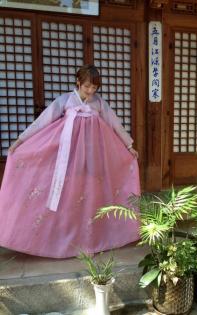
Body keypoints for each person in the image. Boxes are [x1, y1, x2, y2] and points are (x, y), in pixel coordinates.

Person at [0, 64, 140, 258]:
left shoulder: (99, 103)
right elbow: (42, 122)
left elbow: (114, 123)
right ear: (78, 83)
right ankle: (63, 241)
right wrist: (20, 141)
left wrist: (128, 145)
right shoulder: (65, 100)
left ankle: (90, 243)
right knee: (69, 199)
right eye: (87, 87)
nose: (90, 91)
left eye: (94, 88)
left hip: (93, 158)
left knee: (90, 198)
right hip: (67, 159)